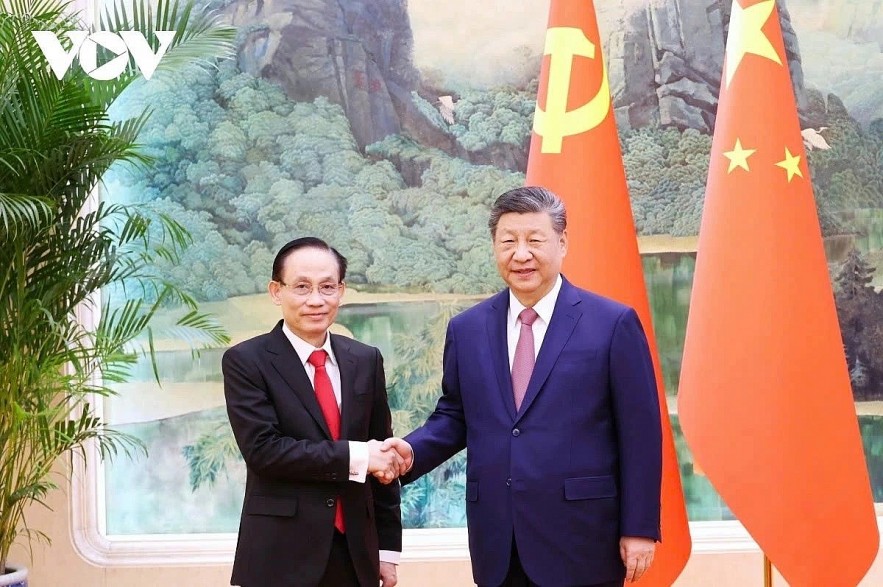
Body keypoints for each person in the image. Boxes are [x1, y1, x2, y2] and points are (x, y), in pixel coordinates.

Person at [385, 186, 662, 586]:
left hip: (583, 537)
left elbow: (640, 434)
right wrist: (410, 451)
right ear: (495, 247)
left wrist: (639, 528)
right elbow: (455, 416)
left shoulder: (612, 323)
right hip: (499, 540)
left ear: (562, 243)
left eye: (535, 240)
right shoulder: (468, 329)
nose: (521, 254)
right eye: (508, 241)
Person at [223, 237, 403, 587]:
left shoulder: (366, 360)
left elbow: (382, 455)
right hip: (280, 557)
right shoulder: (247, 361)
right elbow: (265, 451)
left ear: (341, 291)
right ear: (276, 291)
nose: (316, 300)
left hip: (355, 554)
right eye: (302, 287)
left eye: (327, 287)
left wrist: (386, 551)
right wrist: (358, 455)